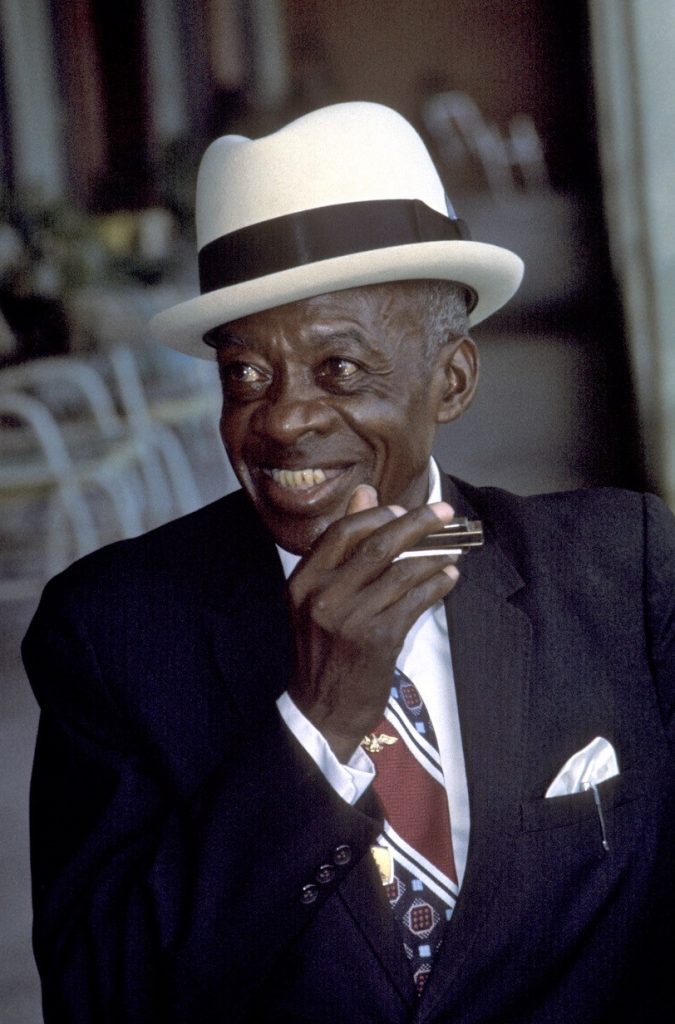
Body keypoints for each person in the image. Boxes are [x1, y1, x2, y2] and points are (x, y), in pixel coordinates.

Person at [23, 102, 675, 1024]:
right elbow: (100, 995)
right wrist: (316, 728)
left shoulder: (619, 567)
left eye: (339, 369)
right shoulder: (112, 630)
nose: (281, 418)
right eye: (244, 372)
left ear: (450, 379)